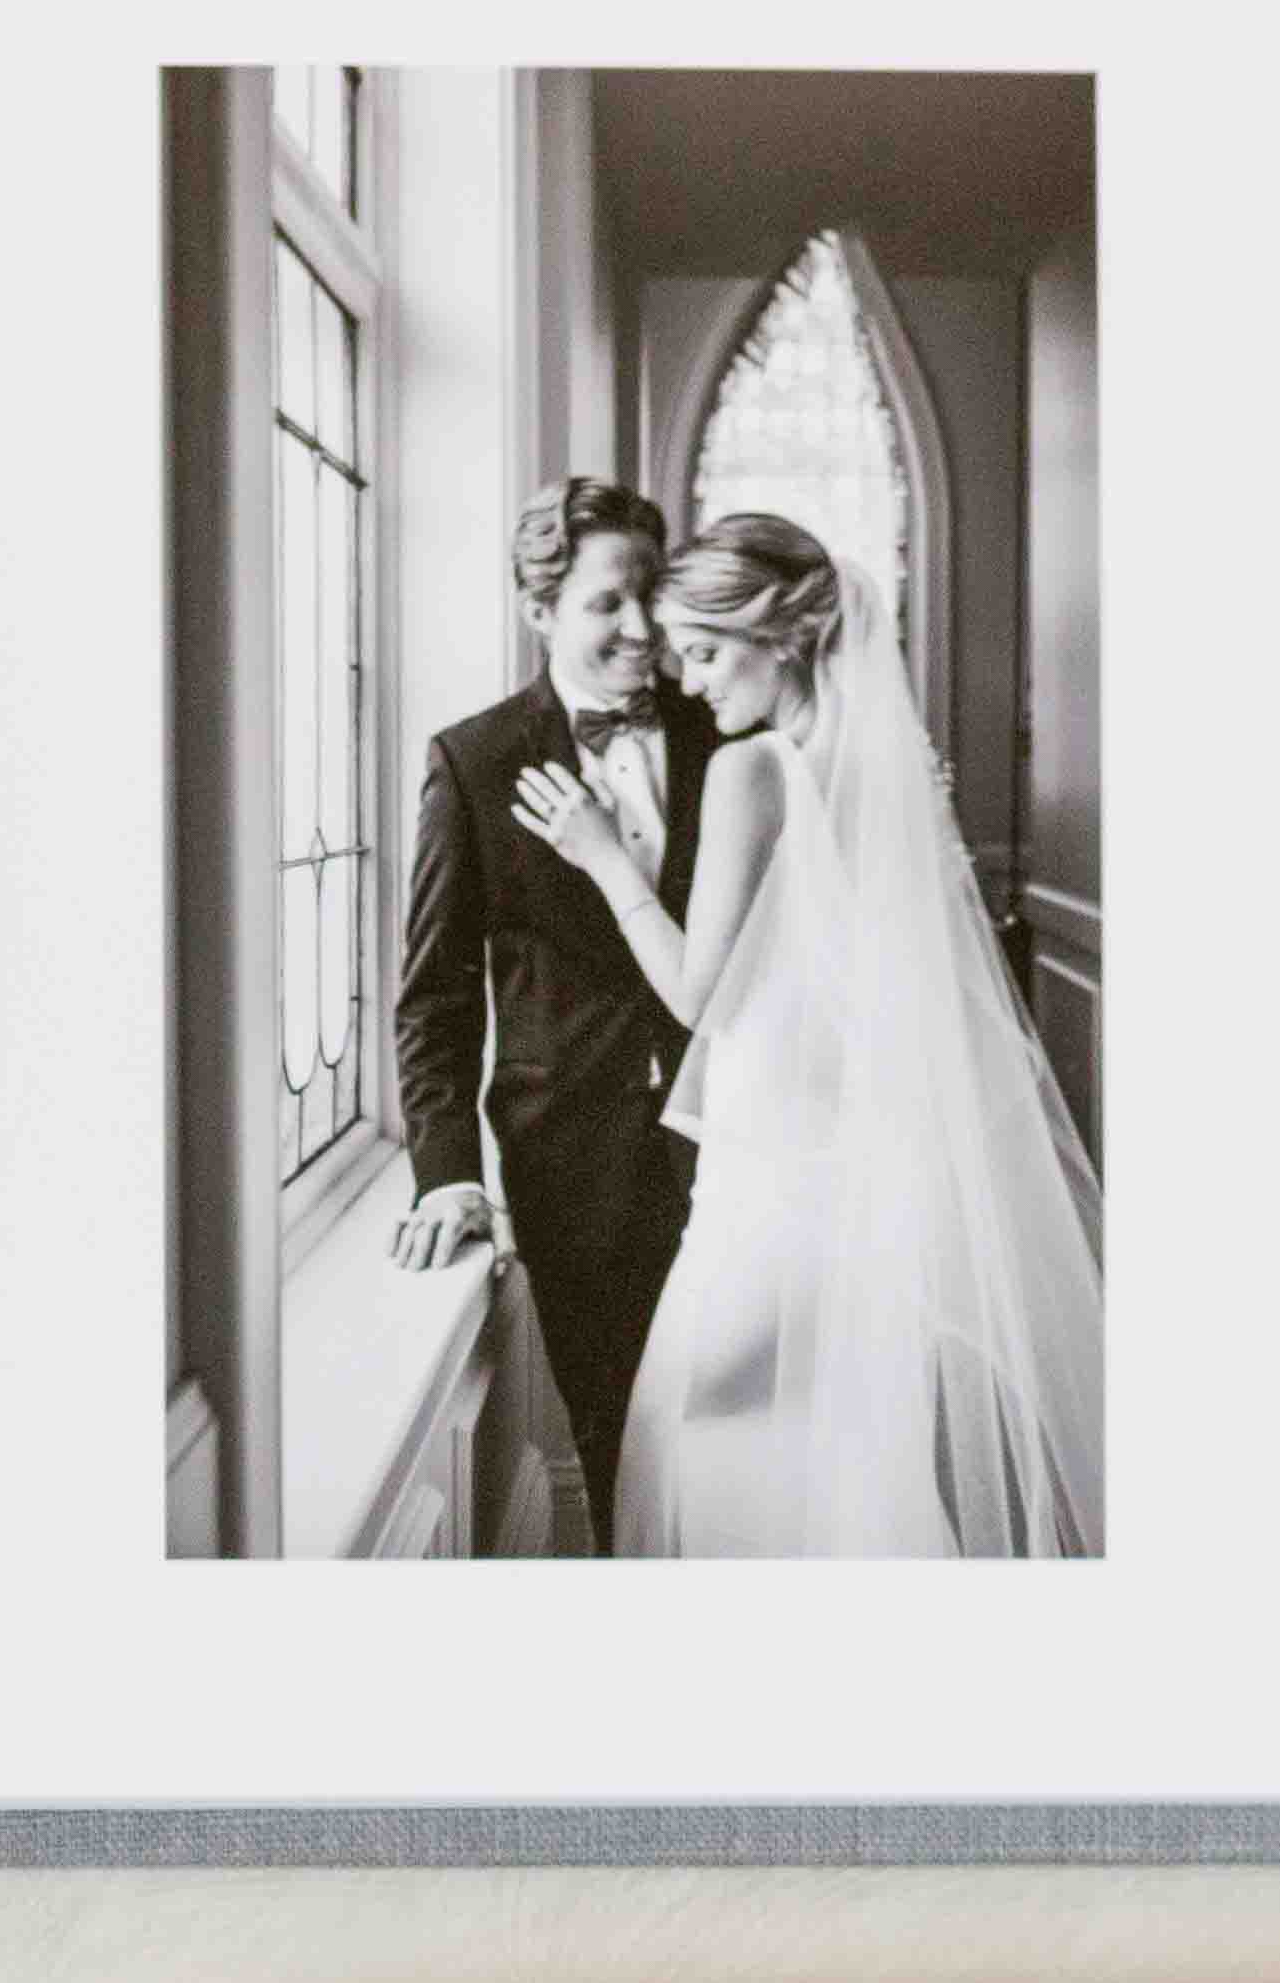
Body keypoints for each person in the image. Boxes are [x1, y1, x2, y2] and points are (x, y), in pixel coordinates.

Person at [507, 514, 1101, 1562]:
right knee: (848, 1448)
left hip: (776, 1180)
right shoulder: (891, 774)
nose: (687, 684)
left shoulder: (757, 771)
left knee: (692, 1436)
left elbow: (702, 999)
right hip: (866, 1167)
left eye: (701, 651)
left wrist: (603, 859)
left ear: (776, 637)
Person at [391, 476, 720, 1549]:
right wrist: (447, 1172)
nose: (640, 628)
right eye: (605, 603)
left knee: (740, 1436)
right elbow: (434, 996)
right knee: (617, 1441)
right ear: (539, 609)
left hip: (742, 1145)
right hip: (572, 1164)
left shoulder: (727, 731)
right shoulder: (474, 761)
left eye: (649, 596)